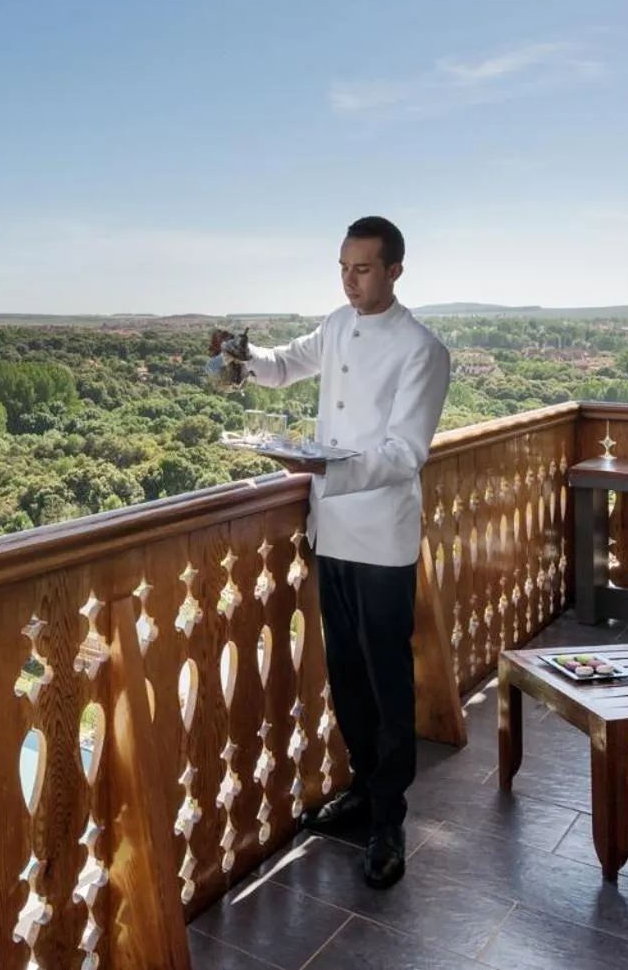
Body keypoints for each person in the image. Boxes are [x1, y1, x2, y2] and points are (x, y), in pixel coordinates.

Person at [213, 215, 450, 889]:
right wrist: (240, 356)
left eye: (364, 268)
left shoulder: (421, 350)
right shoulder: (335, 325)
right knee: (345, 673)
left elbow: (405, 454)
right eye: (344, 266)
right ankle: (358, 791)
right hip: (332, 533)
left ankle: (389, 818)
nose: (350, 280)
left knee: (386, 681)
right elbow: (283, 367)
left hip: (381, 537)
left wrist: (321, 469)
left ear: (396, 270)